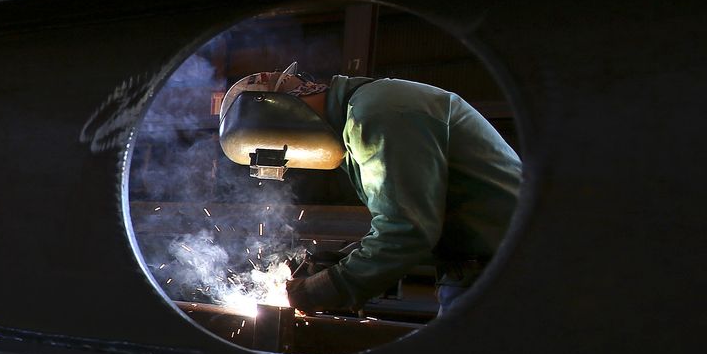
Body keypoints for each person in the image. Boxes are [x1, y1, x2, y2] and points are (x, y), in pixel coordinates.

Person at [217, 63, 522, 314]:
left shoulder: (375, 115)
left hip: (505, 275)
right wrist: (341, 261)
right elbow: (423, 223)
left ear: (283, 112)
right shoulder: (365, 113)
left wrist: (322, 289)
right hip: (484, 270)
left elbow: (406, 232)